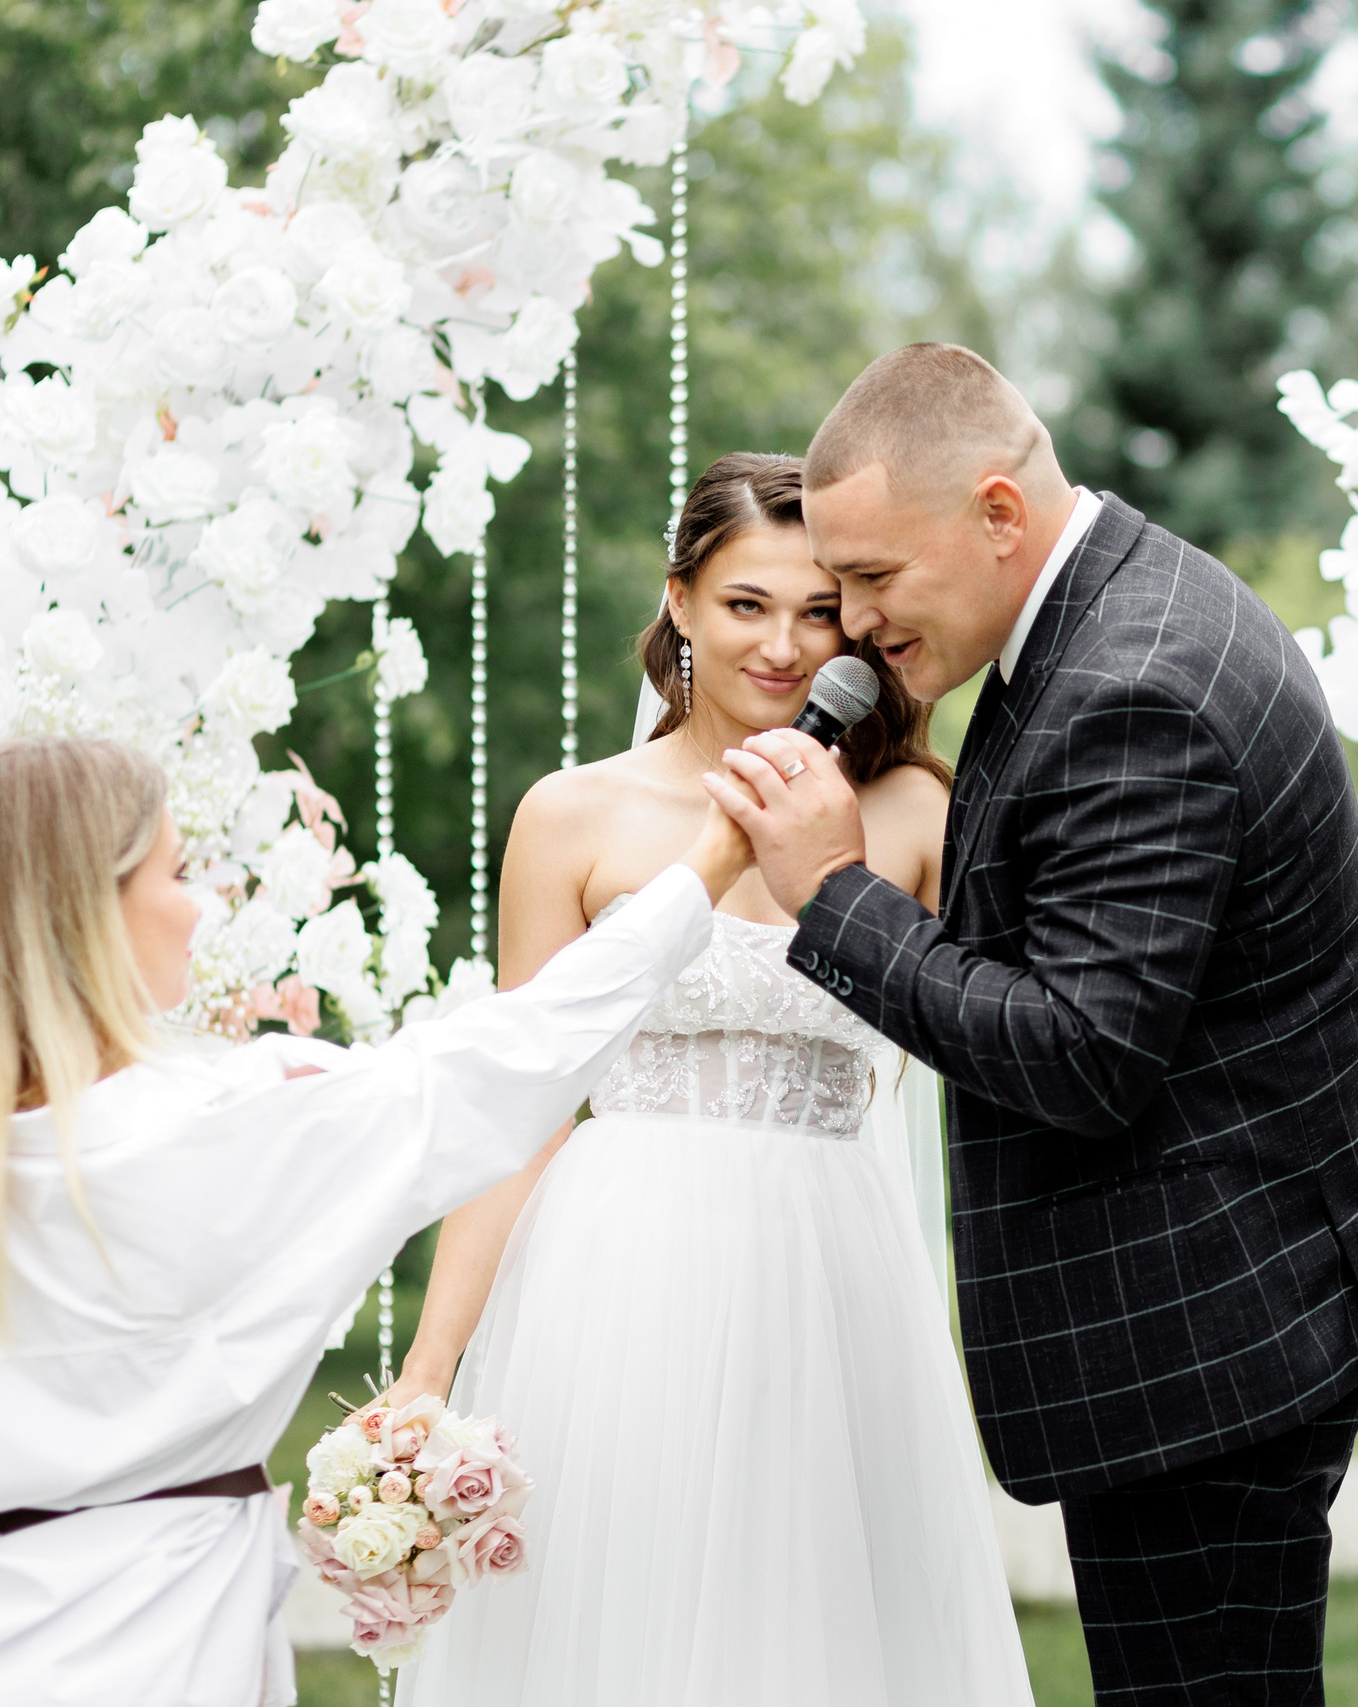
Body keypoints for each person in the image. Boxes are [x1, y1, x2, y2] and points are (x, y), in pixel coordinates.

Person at [0, 736, 750, 1707]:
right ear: (91, 911)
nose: (198, 907)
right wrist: (706, 860)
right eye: (178, 873)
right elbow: (519, 1055)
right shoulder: (236, 1130)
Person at [703, 345, 1358, 1707]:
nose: (850, 624)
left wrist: (832, 894)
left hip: (1214, 1337)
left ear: (995, 512)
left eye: (871, 579)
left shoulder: (1132, 688)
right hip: (1235, 1296)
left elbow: (1078, 1052)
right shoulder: (1104, 614)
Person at [392, 453, 1032, 1707]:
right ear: (679, 601)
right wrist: (428, 1373)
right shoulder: (572, 818)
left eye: (817, 612)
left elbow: (999, 1044)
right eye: (747, 604)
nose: (786, 646)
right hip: (614, 1278)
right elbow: (521, 1109)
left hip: (830, 1273)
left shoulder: (911, 813)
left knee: (817, 1635)